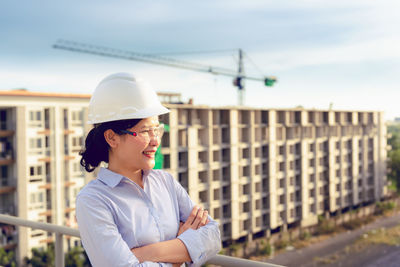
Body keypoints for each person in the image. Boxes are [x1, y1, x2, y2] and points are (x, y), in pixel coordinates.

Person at [75, 73, 221, 267]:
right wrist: (181, 252)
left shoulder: (165, 182)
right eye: (145, 131)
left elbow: (212, 236)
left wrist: (145, 253)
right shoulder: (93, 200)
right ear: (112, 138)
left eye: (157, 129)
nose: (156, 141)